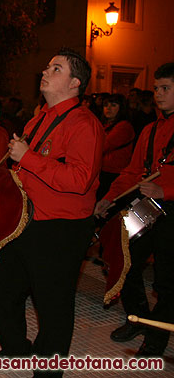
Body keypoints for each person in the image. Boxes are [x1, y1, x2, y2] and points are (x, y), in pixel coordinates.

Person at [0, 48, 104, 374]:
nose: (45, 71)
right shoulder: (39, 118)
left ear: (75, 83)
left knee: (52, 305)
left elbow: (80, 181)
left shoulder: (85, 124)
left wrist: (27, 158)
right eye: (48, 66)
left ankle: (47, 369)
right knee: (4, 289)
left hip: (59, 228)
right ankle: (15, 349)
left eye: (56, 68)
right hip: (25, 220)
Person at [94, 62, 174, 357]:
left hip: (171, 210)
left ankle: (155, 341)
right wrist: (109, 198)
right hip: (146, 206)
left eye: (165, 88)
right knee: (120, 255)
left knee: (167, 281)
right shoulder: (150, 129)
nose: (158, 94)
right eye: (156, 88)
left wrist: (166, 190)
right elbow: (131, 172)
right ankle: (138, 317)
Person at [96, 94, 135, 199]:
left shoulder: (124, 127)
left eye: (113, 105)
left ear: (121, 108)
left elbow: (104, 145)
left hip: (115, 174)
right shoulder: (105, 124)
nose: (108, 108)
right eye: (106, 105)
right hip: (103, 170)